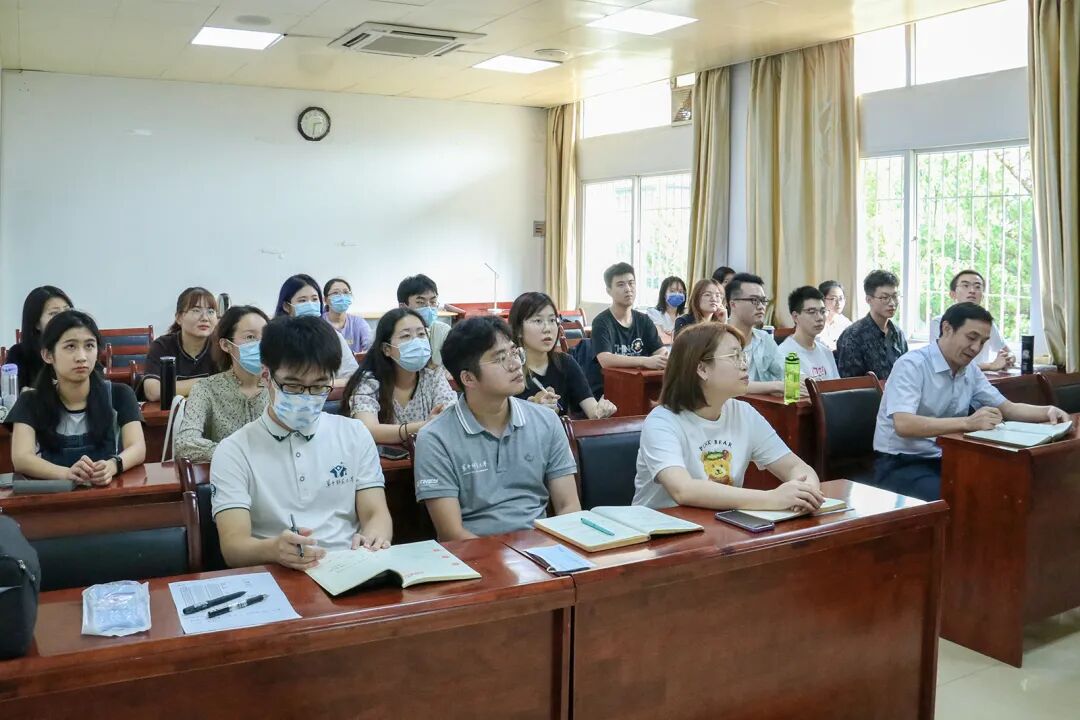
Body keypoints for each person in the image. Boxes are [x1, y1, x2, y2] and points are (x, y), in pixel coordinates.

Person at [210, 315, 392, 570]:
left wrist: (374, 536)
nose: (307, 397)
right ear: (266, 375)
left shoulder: (354, 433)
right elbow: (233, 548)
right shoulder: (234, 451)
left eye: (319, 387)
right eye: (293, 387)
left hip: (350, 566)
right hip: (278, 574)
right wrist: (274, 550)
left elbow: (376, 513)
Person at [873, 302, 1069, 501]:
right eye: (971, 337)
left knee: (1010, 487)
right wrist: (968, 423)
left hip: (950, 457)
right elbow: (904, 424)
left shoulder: (969, 369)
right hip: (901, 462)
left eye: (983, 342)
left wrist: (1048, 411)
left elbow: (1008, 408)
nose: (976, 348)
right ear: (947, 329)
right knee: (958, 500)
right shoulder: (912, 365)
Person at [414, 316, 581, 540]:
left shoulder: (547, 421)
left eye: (514, 352)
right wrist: (508, 558)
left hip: (539, 548)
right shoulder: (435, 437)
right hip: (475, 554)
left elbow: (568, 506)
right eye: (501, 358)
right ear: (468, 378)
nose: (516, 364)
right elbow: (452, 533)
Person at [633, 323, 824, 512]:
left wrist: (806, 493)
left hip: (720, 524)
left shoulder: (744, 413)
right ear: (702, 369)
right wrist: (772, 498)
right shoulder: (662, 421)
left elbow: (796, 467)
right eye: (734, 356)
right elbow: (683, 489)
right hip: (661, 527)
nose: (744, 365)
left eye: (743, 355)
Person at [8, 310, 145, 484]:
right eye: (70, 346)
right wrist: (67, 474)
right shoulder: (30, 401)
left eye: (89, 346)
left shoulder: (120, 394)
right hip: (55, 496)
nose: (81, 357)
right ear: (48, 355)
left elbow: (138, 448)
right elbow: (21, 458)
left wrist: (113, 465)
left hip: (108, 494)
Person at [345, 307, 457, 444]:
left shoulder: (433, 376)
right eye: (406, 336)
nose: (417, 342)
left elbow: (448, 417)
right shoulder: (369, 382)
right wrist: (424, 426)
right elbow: (368, 430)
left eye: (421, 334)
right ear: (386, 349)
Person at [174, 306, 270, 462]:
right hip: (227, 472)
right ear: (226, 345)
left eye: (266, 337)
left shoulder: (282, 387)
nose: (261, 344)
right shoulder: (206, 388)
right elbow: (185, 443)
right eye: (250, 337)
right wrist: (235, 454)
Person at [509, 291, 617, 419]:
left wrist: (602, 410)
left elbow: (592, 411)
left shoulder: (565, 363)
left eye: (552, 320)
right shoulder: (509, 369)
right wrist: (534, 409)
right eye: (538, 321)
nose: (547, 328)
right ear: (519, 330)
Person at [586, 262, 667, 398]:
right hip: (611, 390)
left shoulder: (644, 320)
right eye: (621, 284)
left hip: (643, 386)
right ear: (608, 290)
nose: (628, 289)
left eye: (631, 283)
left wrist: (663, 358)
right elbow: (605, 359)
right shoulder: (601, 322)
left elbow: (660, 351)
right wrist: (645, 361)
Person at [274, 274, 358, 385]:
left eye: (314, 299)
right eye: (302, 301)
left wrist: (322, 386)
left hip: (328, 395)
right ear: (286, 306)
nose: (310, 304)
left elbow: (354, 377)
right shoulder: (276, 338)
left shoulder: (332, 336)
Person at [141, 287, 219, 402]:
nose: (205, 318)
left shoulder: (221, 347)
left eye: (211, 311)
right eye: (196, 310)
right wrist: (207, 383)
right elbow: (153, 391)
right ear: (179, 318)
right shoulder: (162, 346)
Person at [928, 270, 1013, 371]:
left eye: (977, 287)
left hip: (980, 378)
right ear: (953, 294)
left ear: (982, 296)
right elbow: (942, 363)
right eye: (965, 285)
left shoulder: (986, 324)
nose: (972, 290)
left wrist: (1009, 358)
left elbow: (1007, 352)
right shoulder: (939, 322)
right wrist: (990, 366)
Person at [725, 273, 794, 396]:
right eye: (754, 300)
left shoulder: (764, 338)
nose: (761, 306)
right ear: (733, 304)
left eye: (763, 301)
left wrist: (802, 380)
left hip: (761, 405)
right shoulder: (718, 338)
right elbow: (729, 384)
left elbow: (785, 370)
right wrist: (776, 386)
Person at [836, 270, 909, 380]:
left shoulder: (897, 334)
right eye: (884, 298)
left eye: (895, 296)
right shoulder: (853, 336)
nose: (892, 303)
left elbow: (906, 372)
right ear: (869, 300)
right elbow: (850, 384)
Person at [7, 286, 73, 391]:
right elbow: (13, 393)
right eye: (54, 313)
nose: (64, 318)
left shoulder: (82, 348)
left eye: (67, 310)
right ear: (37, 323)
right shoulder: (19, 353)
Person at [397, 274, 463, 367]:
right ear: (403, 307)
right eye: (420, 302)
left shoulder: (443, 331)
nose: (428, 307)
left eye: (433, 302)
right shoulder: (393, 332)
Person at [778, 286, 839, 382]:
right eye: (812, 312)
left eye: (822, 311)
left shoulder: (826, 352)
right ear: (795, 317)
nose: (820, 318)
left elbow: (838, 386)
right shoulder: (784, 354)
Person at [322, 277, 372, 353]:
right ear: (325, 300)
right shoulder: (319, 323)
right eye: (335, 293)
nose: (342, 296)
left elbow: (371, 348)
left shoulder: (358, 322)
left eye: (345, 292)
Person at [646, 276, 686, 345]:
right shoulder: (653, 313)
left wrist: (671, 336)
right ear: (664, 294)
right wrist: (681, 337)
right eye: (672, 291)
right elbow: (661, 339)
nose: (677, 294)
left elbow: (692, 339)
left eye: (680, 291)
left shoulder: (686, 313)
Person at [818, 280, 851, 352]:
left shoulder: (845, 323)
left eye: (841, 298)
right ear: (822, 300)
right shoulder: (814, 322)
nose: (838, 303)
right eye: (833, 298)